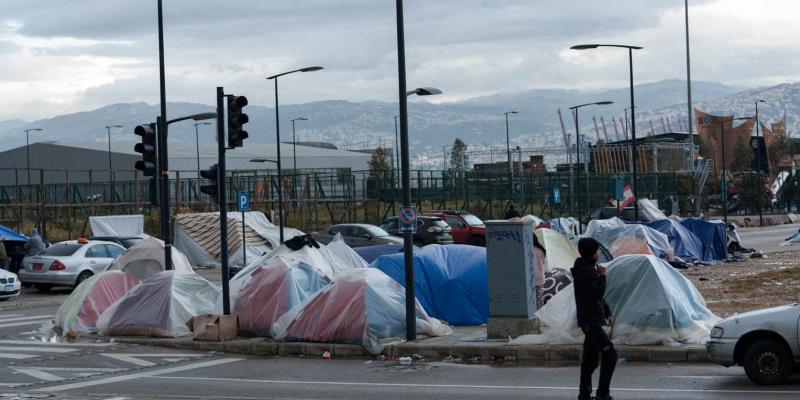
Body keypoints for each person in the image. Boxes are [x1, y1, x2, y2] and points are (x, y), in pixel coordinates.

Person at [572, 237, 616, 400]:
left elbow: (596, 298)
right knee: (610, 355)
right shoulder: (585, 272)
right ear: (591, 253)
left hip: (593, 320)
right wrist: (603, 276)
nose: (599, 253)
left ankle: (584, 394)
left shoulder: (588, 268)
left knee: (590, 360)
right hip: (590, 322)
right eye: (597, 250)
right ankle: (602, 394)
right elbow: (597, 292)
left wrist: (607, 311)